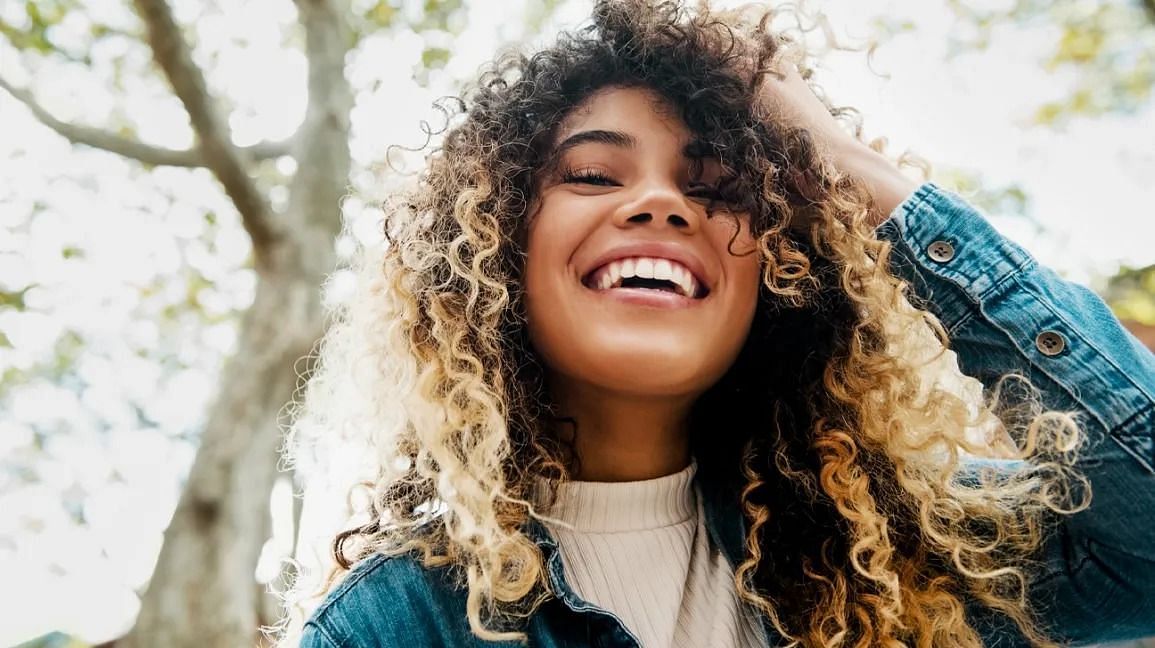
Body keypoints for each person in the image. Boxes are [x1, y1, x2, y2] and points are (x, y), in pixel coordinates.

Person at [283, 1, 1155, 646]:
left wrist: (851, 171)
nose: (662, 202)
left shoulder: (901, 560)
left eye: (713, 187)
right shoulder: (390, 625)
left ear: (781, 278)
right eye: (591, 175)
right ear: (495, 256)